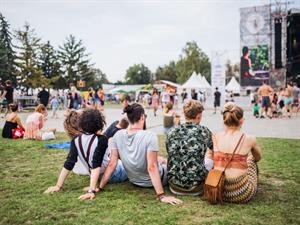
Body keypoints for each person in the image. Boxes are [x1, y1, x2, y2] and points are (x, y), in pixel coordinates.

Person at [93, 103, 182, 204]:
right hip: (153, 180)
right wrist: (161, 195)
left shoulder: (117, 135)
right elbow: (151, 167)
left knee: (161, 160)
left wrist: (99, 187)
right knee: (171, 164)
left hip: (134, 180)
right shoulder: (150, 136)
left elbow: (112, 164)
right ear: (142, 117)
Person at [44, 109, 127, 196]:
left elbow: (69, 163)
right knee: (124, 160)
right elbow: (96, 165)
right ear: (100, 123)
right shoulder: (101, 139)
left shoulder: (76, 139)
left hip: (97, 176)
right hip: (114, 174)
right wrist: (91, 190)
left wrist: (58, 185)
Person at [206, 103, 261, 203]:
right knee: (251, 159)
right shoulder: (250, 138)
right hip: (241, 193)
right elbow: (257, 157)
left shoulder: (215, 136)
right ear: (242, 120)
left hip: (218, 189)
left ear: (225, 120)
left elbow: (211, 155)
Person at [166, 100, 213, 195]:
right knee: (211, 160)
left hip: (175, 186)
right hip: (197, 187)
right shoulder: (204, 131)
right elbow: (215, 150)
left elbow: (169, 152)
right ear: (198, 115)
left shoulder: (171, 131)